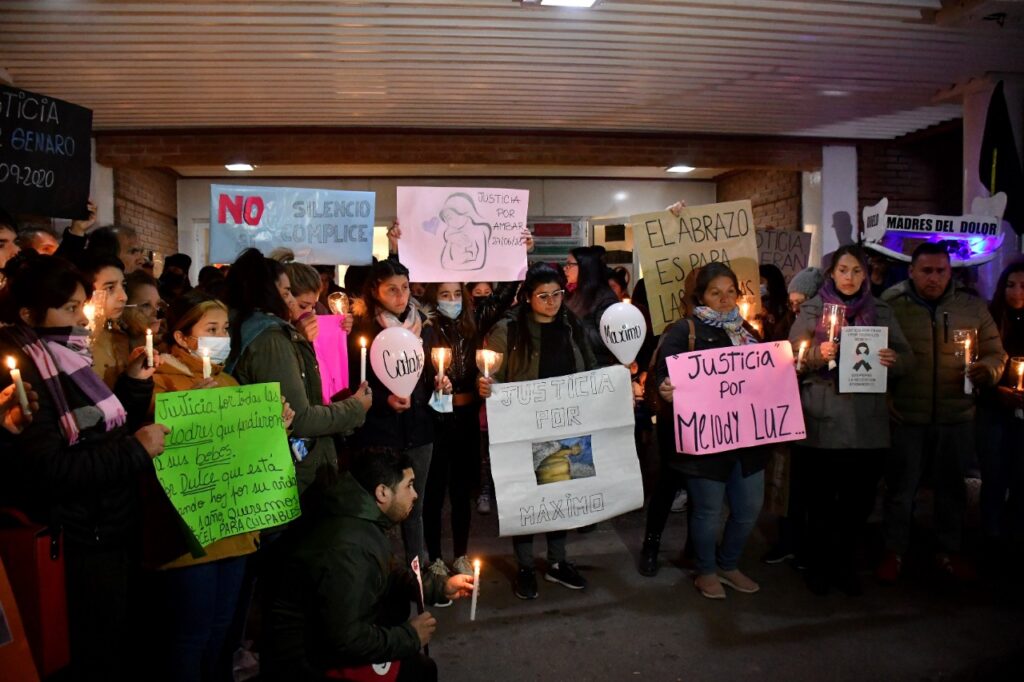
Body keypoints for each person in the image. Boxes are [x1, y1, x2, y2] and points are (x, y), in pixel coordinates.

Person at [0, 253, 169, 681]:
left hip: (108, 526)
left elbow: (101, 429)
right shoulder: (28, 375)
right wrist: (135, 452)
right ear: (28, 313)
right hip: (78, 537)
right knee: (91, 653)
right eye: (70, 308)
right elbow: (52, 470)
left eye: (82, 304)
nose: (82, 316)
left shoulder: (69, 357)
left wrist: (132, 382)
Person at [146, 290, 293, 682]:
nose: (221, 337)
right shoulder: (158, 382)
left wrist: (274, 425)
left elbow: (245, 452)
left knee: (221, 632)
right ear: (182, 337)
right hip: (189, 538)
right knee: (189, 637)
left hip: (236, 530)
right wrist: (192, 411)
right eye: (211, 329)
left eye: (225, 329)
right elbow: (156, 451)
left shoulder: (229, 381)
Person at [262, 448, 474, 682]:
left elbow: (389, 572)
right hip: (307, 662)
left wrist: (439, 586)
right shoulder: (349, 547)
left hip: (318, 644)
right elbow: (345, 639)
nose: (415, 494)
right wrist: (411, 636)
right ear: (382, 492)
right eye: (409, 485)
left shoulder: (359, 518)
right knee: (419, 671)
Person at [788, 245, 913, 595]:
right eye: (843, 270)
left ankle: (844, 565)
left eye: (857, 271)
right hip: (824, 421)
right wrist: (815, 354)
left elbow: (908, 360)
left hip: (868, 424)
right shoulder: (813, 310)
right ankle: (819, 567)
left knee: (858, 503)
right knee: (823, 501)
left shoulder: (882, 311)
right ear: (832, 273)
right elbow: (789, 359)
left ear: (866, 273)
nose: (849, 277)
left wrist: (894, 360)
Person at [879, 242, 1007, 583]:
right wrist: (885, 395)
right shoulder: (891, 306)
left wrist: (989, 370)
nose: (933, 278)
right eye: (926, 271)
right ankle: (895, 551)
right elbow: (876, 355)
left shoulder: (971, 307)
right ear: (911, 271)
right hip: (907, 416)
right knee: (901, 490)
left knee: (951, 490)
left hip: (956, 416)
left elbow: (996, 352)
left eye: (941, 271)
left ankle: (949, 550)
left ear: (950, 272)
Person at [643, 263, 766, 599]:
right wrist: (666, 388)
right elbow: (664, 375)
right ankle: (707, 570)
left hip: (748, 438)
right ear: (701, 296)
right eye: (716, 292)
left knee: (748, 507)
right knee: (708, 510)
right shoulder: (684, 330)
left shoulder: (749, 332)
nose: (724, 298)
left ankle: (729, 563)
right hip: (706, 440)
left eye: (730, 291)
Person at [478, 263, 595, 599]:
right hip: (522, 428)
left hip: (566, 424)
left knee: (560, 496)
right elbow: (491, 372)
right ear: (527, 297)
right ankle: (526, 566)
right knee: (527, 500)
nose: (551, 302)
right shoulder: (509, 330)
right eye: (543, 296)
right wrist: (487, 385)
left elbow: (589, 366)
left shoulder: (571, 324)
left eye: (557, 294)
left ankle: (558, 562)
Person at [225, 249, 370, 495]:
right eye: (286, 293)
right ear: (268, 294)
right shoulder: (272, 340)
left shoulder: (270, 333)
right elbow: (301, 418)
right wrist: (357, 407)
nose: (291, 302)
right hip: (289, 473)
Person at [348, 258, 443, 571]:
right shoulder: (361, 331)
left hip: (419, 430)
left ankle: (418, 575)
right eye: (392, 289)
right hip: (379, 433)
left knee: (413, 506)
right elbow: (352, 384)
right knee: (380, 506)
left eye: (404, 287)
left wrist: (442, 381)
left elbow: (431, 373)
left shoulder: (425, 326)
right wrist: (381, 403)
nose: (401, 295)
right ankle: (377, 575)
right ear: (376, 291)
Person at [422, 282, 479, 581]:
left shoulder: (473, 324)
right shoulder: (427, 327)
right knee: (433, 491)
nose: (452, 300)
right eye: (445, 295)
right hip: (437, 419)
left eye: (457, 294)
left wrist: (517, 255)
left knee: (461, 490)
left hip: (466, 418)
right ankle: (434, 558)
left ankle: (460, 554)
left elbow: (504, 294)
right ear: (434, 298)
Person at [977, 259, 1024, 563]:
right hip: (993, 409)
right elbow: (977, 365)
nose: (1017, 291)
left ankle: (1016, 537)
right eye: (1010, 285)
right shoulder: (991, 320)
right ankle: (990, 537)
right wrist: (997, 391)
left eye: (1023, 286)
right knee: (994, 475)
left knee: (1021, 476)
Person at [565, 245, 620, 369]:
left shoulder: (605, 298)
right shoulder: (571, 293)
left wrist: (572, 330)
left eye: (569, 264)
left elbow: (608, 339)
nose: (565, 269)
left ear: (585, 267)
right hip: (575, 364)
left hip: (596, 367)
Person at [122, 270, 164, 348]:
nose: (157, 313)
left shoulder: (164, 348)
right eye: (146, 305)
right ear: (123, 309)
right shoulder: (112, 352)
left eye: (158, 304)